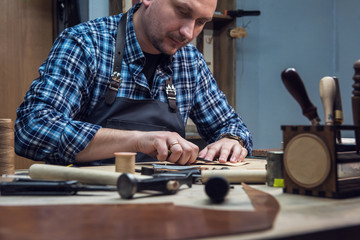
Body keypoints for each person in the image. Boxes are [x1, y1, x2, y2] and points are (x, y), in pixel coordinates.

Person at [15, 0, 253, 166]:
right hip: (86, 205)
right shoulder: (85, 43)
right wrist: (137, 141)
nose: (188, 32)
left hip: (168, 204)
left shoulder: (190, 62)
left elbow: (232, 126)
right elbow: (32, 128)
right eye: (182, 11)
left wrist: (231, 141)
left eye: (201, 21)